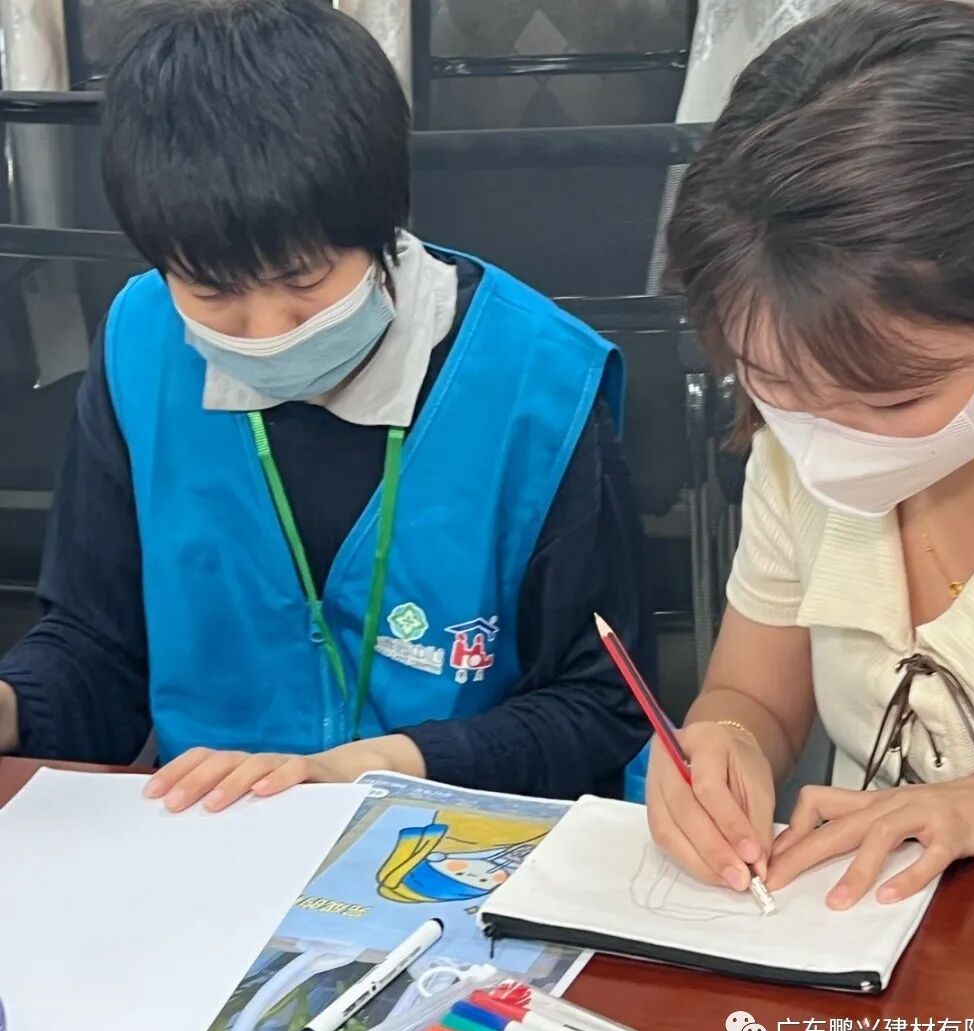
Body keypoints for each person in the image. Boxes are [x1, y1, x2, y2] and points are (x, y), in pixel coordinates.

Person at [0, 0, 653, 809]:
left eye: (304, 281)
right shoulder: (143, 341)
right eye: (212, 292)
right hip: (214, 834)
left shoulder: (538, 381)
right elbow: (99, 647)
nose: (268, 331)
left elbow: (602, 703)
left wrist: (375, 767)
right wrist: (12, 704)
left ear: (384, 222)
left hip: (455, 832)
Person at [649, 0, 974, 909]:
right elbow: (751, 697)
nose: (830, 440)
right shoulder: (793, 450)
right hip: (866, 951)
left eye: (891, 400)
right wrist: (722, 744)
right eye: (776, 384)